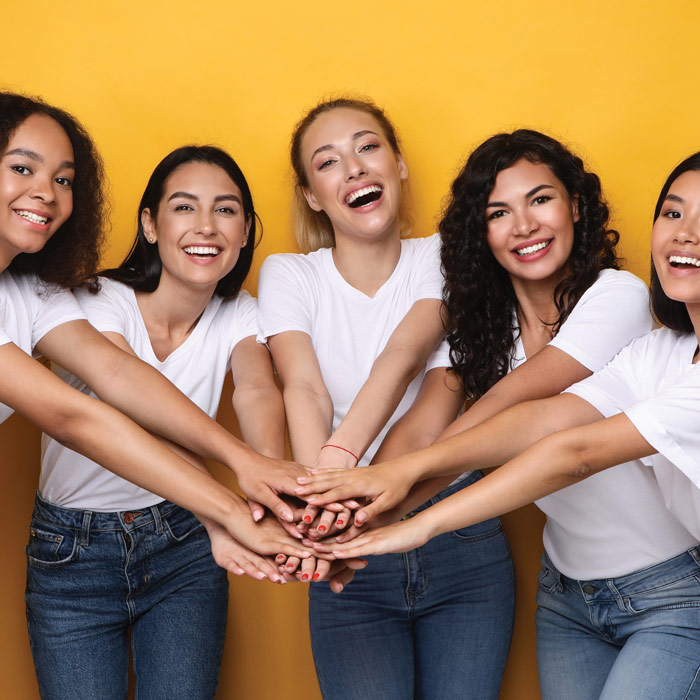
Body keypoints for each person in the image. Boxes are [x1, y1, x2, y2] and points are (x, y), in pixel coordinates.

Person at [307, 151, 700, 700]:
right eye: (499, 213)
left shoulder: (617, 296)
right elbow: (438, 425)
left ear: (577, 207)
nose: (524, 226)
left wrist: (398, 496)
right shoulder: (486, 334)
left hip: (668, 587)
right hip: (566, 595)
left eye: (540, 199)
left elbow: (542, 420)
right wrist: (360, 521)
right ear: (481, 233)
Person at [257, 97, 514, 700]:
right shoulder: (289, 274)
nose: (354, 168)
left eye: (368, 147)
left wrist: (341, 479)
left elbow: (414, 369)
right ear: (313, 195)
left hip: (457, 534)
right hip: (347, 544)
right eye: (329, 161)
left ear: (398, 164)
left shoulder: (447, 255)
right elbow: (303, 386)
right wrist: (327, 501)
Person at [26, 144, 298, 699]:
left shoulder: (240, 311)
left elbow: (256, 387)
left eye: (226, 210)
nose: (207, 226)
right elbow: (121, 392)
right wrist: (230, 493)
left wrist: (272, 483)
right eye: (184, 207)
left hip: (182, 541)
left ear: (246, 231)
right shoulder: (96, 298)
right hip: (71, 551)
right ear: (149, 224)